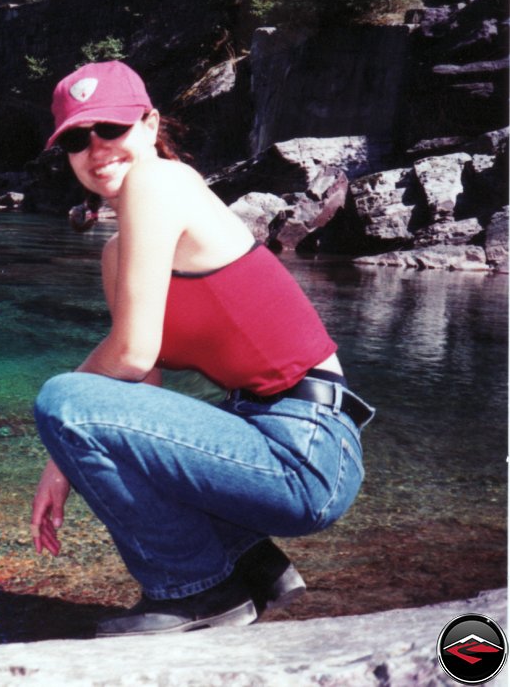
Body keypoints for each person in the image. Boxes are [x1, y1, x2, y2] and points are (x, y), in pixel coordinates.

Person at [29, 61, 375, 637]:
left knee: (62, 397)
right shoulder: (118, 253)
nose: (96, 149)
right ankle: (251, 565)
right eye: (75, 138)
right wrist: (66, 454)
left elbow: (131, 354)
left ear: (149, 123)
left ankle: (198, 592)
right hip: (269, 436)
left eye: (110, 128)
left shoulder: (159, 181)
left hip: (307, 446)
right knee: (80, 407)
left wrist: (57, 445)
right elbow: (140, 385)